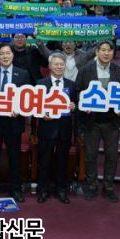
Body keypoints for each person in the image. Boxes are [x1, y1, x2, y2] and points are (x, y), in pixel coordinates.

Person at [76, 40, 120, 203]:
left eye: (109, 50)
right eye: (103, 50)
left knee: (112, 155)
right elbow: (78, 91)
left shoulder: (119, 71)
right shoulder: (85, 70)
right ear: (97, 52)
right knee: (91, 155)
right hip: (92, 120)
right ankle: (92, 185)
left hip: (111, 121)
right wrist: (83, 104)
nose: (106, 53)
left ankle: (108, 187)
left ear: (113, 53)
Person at [0, 43, 30, 203]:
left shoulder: (22, 74)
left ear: (13, 55)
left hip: (13, 122)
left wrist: (20, 109)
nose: (5, 56)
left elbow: (27, 98)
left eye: (7, 53)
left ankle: (15, 188)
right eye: (1, 53)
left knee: (14, 157)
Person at [35, 52, 78, 204]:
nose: (59, 67)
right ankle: (43, 189)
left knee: (62, 161)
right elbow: (34, 106)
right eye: (56, 64)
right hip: (46, 128)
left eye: (61, 64)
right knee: (44, 161)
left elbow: (77, 105)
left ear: (65, 66)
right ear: (50, 66)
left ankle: (61, 190)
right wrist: (42, 114)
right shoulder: (41, 83)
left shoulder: (71, 84)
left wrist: (74, 107)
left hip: (64, 129)